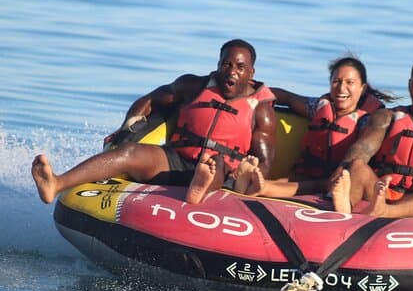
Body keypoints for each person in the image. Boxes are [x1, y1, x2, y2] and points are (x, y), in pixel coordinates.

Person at [31, 39, 277, 204]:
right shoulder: (193, 86)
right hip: (174, 160)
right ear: (218, 65)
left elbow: (264, 162)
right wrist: (126, 130)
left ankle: (199, 187)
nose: (231, 71)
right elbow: (150, 100)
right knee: (130, 153)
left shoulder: (260, 110)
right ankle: (56, 182)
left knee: (215, 162)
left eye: (240, 67)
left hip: (220, 170)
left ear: (251, 73)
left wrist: (252, 176)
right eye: (227, 64)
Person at [329, 56, 413, 218]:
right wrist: (340, 174)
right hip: (380, 189)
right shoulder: (386, 116)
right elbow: (363, 148)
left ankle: (385, 211)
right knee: (357, 166)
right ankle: (343, 209)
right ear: (410, 85)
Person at [241, 56, 395, 198]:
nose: (341, 88)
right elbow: (287, 98)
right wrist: (252, 94)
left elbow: (365, 148)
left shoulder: (368, 119)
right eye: (337, 81)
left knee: (310, 184)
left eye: (350, 82)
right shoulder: (317, 107)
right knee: (288, 181)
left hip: (339, 182)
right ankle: (251, 185)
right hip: (307, 176)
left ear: (362, 88)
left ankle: (260, 187)